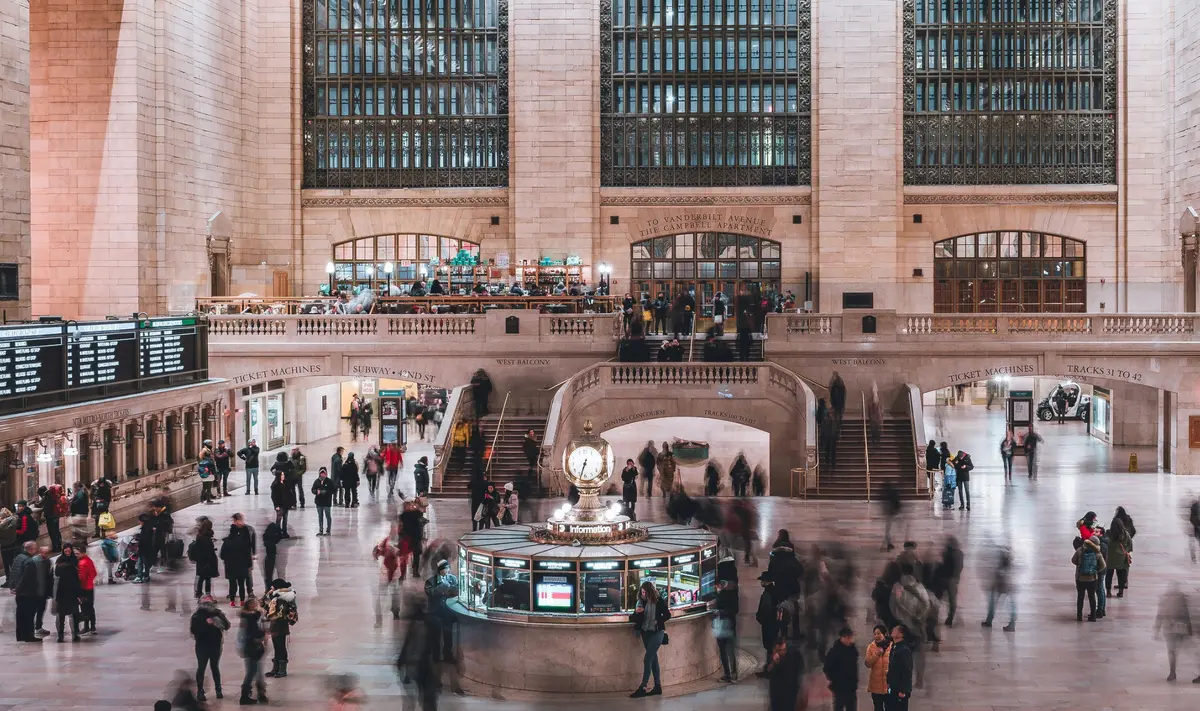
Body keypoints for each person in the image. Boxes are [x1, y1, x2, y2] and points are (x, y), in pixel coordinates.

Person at [629, 581, 671, 698]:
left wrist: (659, 621)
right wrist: (637, 613)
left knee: (647, 658)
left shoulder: (659, 601)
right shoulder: (640, 602)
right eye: (641, 592)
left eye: (645, 592)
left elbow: (667, 615)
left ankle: (643, 686)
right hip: (645, 633)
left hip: (657, 632)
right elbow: (633, 618)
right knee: (653, 659)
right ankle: (658, 686)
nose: (643, 594)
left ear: (649, 592)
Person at [191, 594, 230, 701]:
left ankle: (218, 689)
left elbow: (227, 626)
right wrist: (206, 624)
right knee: (201, 667)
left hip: (215, 644)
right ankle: (200, 691)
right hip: (202, 645)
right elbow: (194, 631)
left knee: (214, 666)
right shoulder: (197, 616)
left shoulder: (218, 613)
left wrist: (217, 622)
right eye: (206, 603)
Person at [1154, 582, 1193, 682]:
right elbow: (1186, 614)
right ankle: (1172, 671)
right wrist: (1189, 628)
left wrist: (1157, 630)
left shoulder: (1167, 598)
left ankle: (1172, 672)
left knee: (1172, 651)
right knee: (1174, 650)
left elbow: (1160, 615)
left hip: (1172, 628)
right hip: (1175, 629)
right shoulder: (1180, 598)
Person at [424, 559, 459, 665]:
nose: (448, 570)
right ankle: (436, 656)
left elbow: (457, 590)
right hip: (435, 612)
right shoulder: (430, 581)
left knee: (448, 635)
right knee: (435, 636)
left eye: (448, 568)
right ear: (440, 570)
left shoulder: (452, 579)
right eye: (445, 568)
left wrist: (451, 589)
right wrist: (441, 588)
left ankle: (447, 654)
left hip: (447, 612)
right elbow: (429, 592)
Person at [262, 578, 298, 679]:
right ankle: (276, 668)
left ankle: (282, 669)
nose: (271, 588)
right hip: (275, 625)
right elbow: (270, 609)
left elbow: (277, 613)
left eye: (272, 587)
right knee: (277, 646)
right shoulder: (276, 598)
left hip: (280, 625)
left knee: (280, 647)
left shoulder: (282, 599)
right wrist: (265, 601)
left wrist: (268, 615)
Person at [221, 513, 256, 608]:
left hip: (231, 566)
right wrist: (249, 564)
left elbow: (222, 555)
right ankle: (242, 601)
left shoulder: (227, 541)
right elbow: (247, 552)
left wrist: (226, 560)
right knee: (241, 584)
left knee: (232, 584)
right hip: (242, 565)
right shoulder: (243, 542)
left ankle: (232, 601)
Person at [238, 597, 269, 705]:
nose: (255, 605)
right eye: (252, 603)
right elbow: (247, 634)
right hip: (251, 648)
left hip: (256, 648)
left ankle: (260, 694)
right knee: (251, 672)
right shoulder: (248, 618)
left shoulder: (255, 616)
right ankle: (246, 696)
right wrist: (262, 636)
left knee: (257, 672)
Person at [823, 627, 859, 711]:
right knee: (839, 706)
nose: (849, 640)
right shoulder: (834, 652)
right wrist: (835, 679)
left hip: (851, 687)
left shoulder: (852, 649)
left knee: (851, 707)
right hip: (839, 687)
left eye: (850, 637)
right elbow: (827, 668)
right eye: (847, 637)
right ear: (842, 638)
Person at [981, 546, 1016, 630]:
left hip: (1003, 586)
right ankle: (989, 621)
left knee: (1000, 604)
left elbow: (1002, 575)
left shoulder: (1005, 563)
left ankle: (1010, 623)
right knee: (994, 603)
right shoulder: (1006, 562)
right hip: (1002, 586)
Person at [52, 543, 82, 642]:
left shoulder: (74, 560)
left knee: (74, 615)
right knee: (61, 616)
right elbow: (56, 574)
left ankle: (75, 634)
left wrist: (79, 593)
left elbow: (77, 579)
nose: (68, 553)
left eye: (69, 551)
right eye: (66, 551)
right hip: (62, 592)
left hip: (72, 592)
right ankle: (60, 636)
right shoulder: (60, 560)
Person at [1072, 534, 1105, 622]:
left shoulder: (1080, 550)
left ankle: (1079, 616)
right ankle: (1093, 616)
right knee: (1092, 597)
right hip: (1093, 579)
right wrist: (1095, 570)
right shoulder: (1097, 553)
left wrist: (1080, 565)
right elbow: (1103, 565)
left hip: (1080, 578)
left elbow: (1073, 560)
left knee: (1080, 597)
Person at [712, 578, 739, 682]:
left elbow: (734, 610)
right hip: (720, 627)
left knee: (730, 651)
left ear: (720, 585)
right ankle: (727, 674)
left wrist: (719, 612)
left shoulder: (731, 593)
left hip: (728, 625)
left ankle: (733, 674)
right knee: (723, 651)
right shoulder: (720, 593)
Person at [189, 518, 220, 600]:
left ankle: (199, 592)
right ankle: (207, 593)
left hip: (200, 561)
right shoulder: (206, 538)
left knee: (201, 577)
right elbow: (208, 551)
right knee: (207, 578)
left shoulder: (200, 536)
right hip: (207, 561)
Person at [886, 625, 914, 710]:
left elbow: (907, 671)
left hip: (899, 689)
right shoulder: (895, 647)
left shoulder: (904, 650)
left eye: (895, 630)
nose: (893, 630)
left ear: (901, 634)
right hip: (893, 686)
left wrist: (903, 690)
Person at [864, 624, 891, 711]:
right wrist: (877, 654)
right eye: (874, 634)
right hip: (875, 686)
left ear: (885, 634)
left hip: (889, 686)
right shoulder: (871, 647)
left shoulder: (892, 646)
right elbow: (868, 664)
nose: (876, 636)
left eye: (879, 633)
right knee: (878, 708)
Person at [1105, 517, 1133, 599]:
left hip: (1110, 558)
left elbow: (1105, 543)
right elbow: (1130, 546)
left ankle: (1108, 592)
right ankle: (1121, 592)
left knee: (1109, 575)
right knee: (1121, 575)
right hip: (1122, 558)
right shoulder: (1125, 534)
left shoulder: (1109, 534)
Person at [270, 465, 296, 538]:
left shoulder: (285, 483)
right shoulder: (275, 485)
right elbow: (274, 496)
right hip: (280, 505)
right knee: (279, 519)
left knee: (285, 519)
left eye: (283, 475)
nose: (283, 476)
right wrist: (276, 505)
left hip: (286, 505)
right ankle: (278, 532)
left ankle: (284, 532)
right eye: (282, 475)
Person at [311, 468, 335, 536]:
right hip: (319, 502)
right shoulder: (317, 481)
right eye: (321, 473)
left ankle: (328, 531)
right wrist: (316, 492)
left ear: (326, 473)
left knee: (328, 516)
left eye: (324, 473)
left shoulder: (329, 481)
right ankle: (321, 530)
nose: (323, 475)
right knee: (320, 516)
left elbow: (333, 490)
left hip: (327, 502)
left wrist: (326, 492)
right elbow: (313, 489)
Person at [39, 485, 63, 552]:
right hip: (56, 516)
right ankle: (59, 545)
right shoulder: (53, 495)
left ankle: (55, 547)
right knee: (56, 531)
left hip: (50, 517)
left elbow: (39, 504)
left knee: (52, 532)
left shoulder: (46, 496)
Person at [262, 518, 285, 586]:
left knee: (269, 575)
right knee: (279, 573)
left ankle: (269, 589)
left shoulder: (268, 538)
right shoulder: (276, 538)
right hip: (274, 556)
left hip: (270, 556)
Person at [881, 483, 902, 552]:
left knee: (888, 529)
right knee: (889, 529)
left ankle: (889, 543)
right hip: (892, 512)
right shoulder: (893, 493)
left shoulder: (886, 494)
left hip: (890, 512)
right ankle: (889, 543)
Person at [0, 507, 18, 578]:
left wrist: (1, 524)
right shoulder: (13, 519)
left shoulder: (10, 521)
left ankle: (10, 579)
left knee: (8, 563)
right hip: (11, 542)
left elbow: (6, 532)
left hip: (6, 544)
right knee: (10, 562)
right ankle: (12, 578)